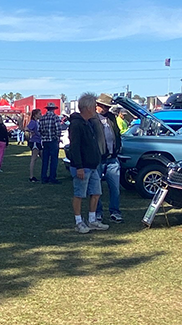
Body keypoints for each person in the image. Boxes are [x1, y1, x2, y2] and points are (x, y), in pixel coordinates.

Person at [67, 93, 109, 233]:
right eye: (94, 106)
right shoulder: (76, 124)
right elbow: (75, 146)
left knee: (96, 193)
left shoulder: (89, 123)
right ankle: (78, 222)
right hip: (82, 166)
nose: (95, 109)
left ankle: (92, 220)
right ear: (88, 107)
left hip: (93, 165)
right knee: (79, 194)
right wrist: (78, 166)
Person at [94, 94, 125, 223]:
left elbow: (117, 134)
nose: (106, 109)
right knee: (96, 188)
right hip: (98, 159)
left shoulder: (111, 118)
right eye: (104, 107)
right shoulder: (92, 119)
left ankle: (115, 212)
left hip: (112, 159)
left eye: (108, 107)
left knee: (115, 188)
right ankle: (97, 212)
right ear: (98, 105)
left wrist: (118, 148)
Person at [38, 103, 64, 184]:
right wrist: (57, 137)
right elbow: (58, 129)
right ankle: (52, 177)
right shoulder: (55, 117)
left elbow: (40, 130)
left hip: (45, 141)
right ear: (53, 109)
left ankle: (43, 177)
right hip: (53, 140)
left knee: (45, 160)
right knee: (54, 160)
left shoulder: (42, 118)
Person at [27, 109, 43, 183]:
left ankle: (44, 174)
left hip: (38, 141)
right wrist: (32, 132)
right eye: (39, 114)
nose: (41, 115)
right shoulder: (33, 122)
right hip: (34, 142)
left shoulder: (37, 122)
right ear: (35, 115)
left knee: (43, 158)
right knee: (34, 159)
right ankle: (31, 176)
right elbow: (26, 128)